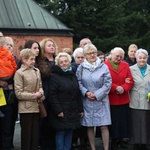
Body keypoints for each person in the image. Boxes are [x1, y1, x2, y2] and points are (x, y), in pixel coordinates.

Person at [76, 43, 112, 150]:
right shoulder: (81, 68)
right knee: (90, 125)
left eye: (94, 53)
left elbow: (108, 83)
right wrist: (86, 92)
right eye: (89, 53)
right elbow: (78, 82)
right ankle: (93, 148)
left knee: (104, 126)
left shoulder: (103, 66)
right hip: (87, 100)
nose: (92, 55)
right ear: (85, 55)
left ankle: (106, 148)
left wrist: (97, 94)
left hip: (101, 100)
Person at [48, 52, 83, 150]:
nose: (64, 63)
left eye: (66, 61)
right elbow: (52, 95)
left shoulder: (73, 75)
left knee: (70, 131)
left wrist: (80, 109)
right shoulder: (54, 76)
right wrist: (58, 110)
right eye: (61, 62)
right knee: (61, 131)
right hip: (61, 110)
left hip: (72, 109)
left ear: (69, 62)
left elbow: (77, 93)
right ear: (58, 64)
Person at [14, 48, 44, 150]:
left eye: (34, 59)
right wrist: (34, 95)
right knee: (26, 135)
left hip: (36, 106)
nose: (33, 61)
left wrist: (41, 92)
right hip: (25, 108)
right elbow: (18, 93)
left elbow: (40, 85)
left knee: (35, 134)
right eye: (31, 59)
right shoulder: (19, 73)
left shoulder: (37, 71)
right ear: (24, 60)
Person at [105, 47, 134, 150]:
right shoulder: (105, 65)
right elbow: (104, 81)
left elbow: (130, 80)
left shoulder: (126, 65)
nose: (119, 58)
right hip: (111, 98)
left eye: (121, 57)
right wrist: (115, 87)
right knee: (113, 122)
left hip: (123, 98)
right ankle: (113, 141)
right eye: (117, 56)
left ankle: (121, 140)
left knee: (122, 122)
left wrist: (124, 88)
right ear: (111, 55)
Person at [37, 38, 57, 150]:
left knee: (55, 121)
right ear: (43, 47)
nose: (52, 47)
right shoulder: (40, 62)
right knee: (44, 121)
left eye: (53, 45)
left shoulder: (58, 60)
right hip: (45, 94)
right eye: (49, 45)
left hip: (57, 94)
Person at [129, 48, 150, 150]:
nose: (142, 60)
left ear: (147, 58)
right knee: (136, 122)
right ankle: (136, 142)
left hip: (147, 100)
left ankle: (145, 143)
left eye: (144, 58)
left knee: (146, 122)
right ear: (136, 58)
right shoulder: (130, 69)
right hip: (135, 99)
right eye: (140, 58)